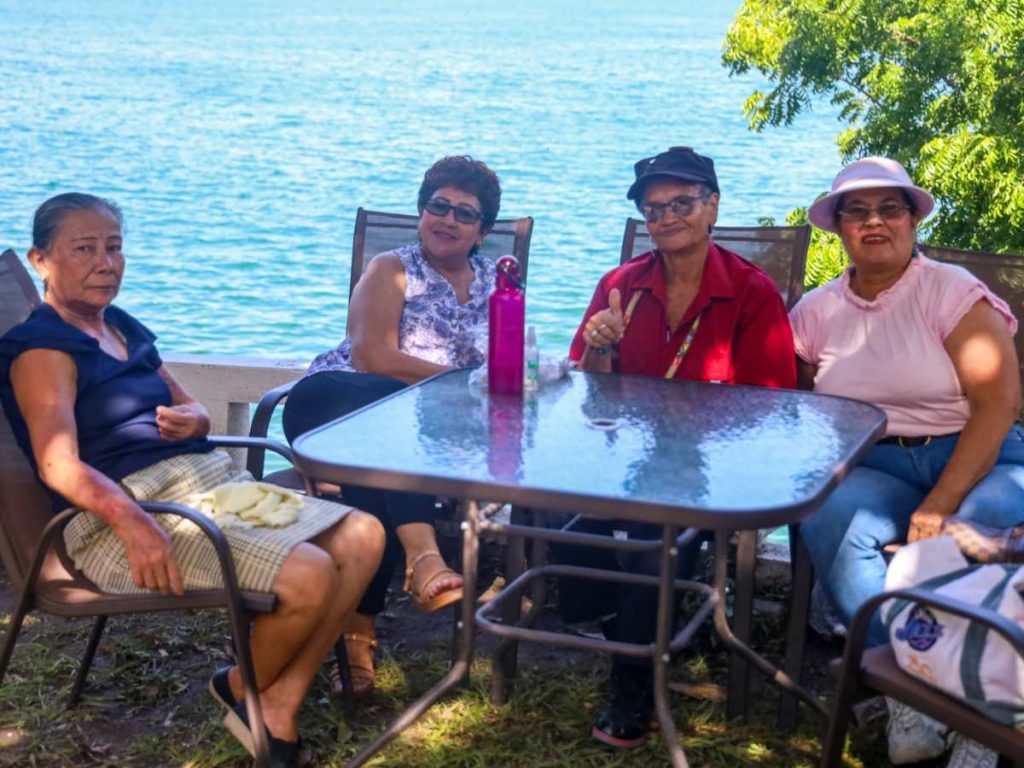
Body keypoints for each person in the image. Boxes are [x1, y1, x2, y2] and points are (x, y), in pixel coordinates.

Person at [0, 193, 385, 768]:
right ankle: (261, 700)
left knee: (366, 536)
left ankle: (268, 697)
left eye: (114, 248)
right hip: (125, 515)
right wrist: (132, 523)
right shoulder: (44, 350)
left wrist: (197, 420)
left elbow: (192, 408)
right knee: (311, 575)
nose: (105, 263)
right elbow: (59, 464)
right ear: (41, 261)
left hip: (205, 482)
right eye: (84, 250)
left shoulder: (120, 326)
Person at [791, 157, 1023, 767]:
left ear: (912, 220)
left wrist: (940, 506)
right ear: (837, 227)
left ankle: (985, 714)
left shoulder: (949, 292)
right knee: (828, 516)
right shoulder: (816, 310)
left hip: (978, 452)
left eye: (890, 208)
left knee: (981, 529)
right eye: (856, 211)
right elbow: (791, 401)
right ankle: (916, 696)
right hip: (878, 465)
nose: (874, 222)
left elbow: (998, 405)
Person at [563, 146, 796, 749]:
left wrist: (685, 435)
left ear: (712, 207)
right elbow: (586, 392)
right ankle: (628, 617)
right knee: (543, 506)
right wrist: (601, 346)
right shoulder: (619, 286)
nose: (666, 218)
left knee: (655, 531)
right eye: (653, 208)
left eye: (682, 204)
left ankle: (632, 682)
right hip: (624, 455)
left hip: (713, 463)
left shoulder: (752, 293)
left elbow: (769, 407)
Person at [282, 155, 502, 696]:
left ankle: (358, 637)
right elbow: (371, 357)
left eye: (464, 213)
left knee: (378, 466)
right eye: (437, 206)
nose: (447, 220)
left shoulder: (497, 281)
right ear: (421, 211)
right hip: (332, 402)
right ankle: (424, 555)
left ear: (483, 230)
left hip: (413, 435)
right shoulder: (391, 268)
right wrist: (455, 383)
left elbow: (507, 362)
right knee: (386, 411)